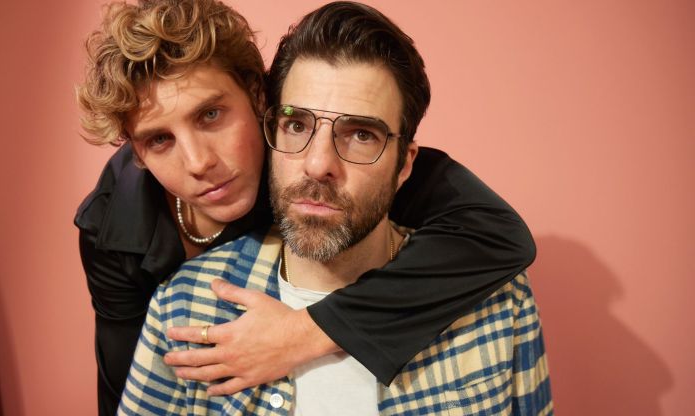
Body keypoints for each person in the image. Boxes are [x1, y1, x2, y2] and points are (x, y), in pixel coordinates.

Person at [75, 0, 536, 414]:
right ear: (136, 153)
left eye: (211, 115)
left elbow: (498, 234)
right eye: (159, 140)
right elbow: (120, 391)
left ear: (258, 98)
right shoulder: (121, 242)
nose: (200, 163)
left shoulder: (363, 171)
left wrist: (306, 332)